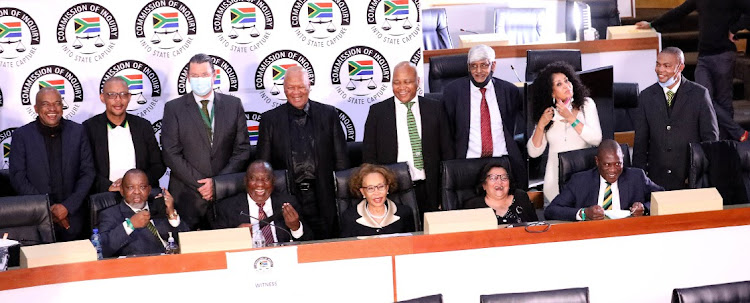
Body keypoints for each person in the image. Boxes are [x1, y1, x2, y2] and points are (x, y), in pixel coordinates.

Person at [257, 66, 349, 240]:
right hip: (288, 200)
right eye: (291, 87)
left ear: (309, 86)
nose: (296, 92)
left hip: (325, 198)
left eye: (300, 87)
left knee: (328, 245)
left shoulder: (328, 114)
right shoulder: (270, 120)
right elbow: (264, 166)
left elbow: (341, 161)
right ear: (284, 89)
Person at [636, 1, 750, 141]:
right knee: (704, 97)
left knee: (724, 101)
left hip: (723, 55)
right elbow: (680, 11)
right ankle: (737, 132)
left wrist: (735, 28)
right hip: (703, 56)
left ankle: (725, 146)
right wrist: (652, 24)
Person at [161, 53, 250, 230]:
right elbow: (171, 153)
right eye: (194, 76)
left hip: (226, 196)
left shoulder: (234, 105)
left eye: (204, 75)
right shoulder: (173, 108)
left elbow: (242, 150)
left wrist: (217, 184)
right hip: (187, 197)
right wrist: (202, 185)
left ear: (214, 76)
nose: (199, 80)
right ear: (187, 77)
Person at [363, 62, 453, 215]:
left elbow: (447, 152)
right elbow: (369, 157)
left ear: (418, 82)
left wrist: (444, 192)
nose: (401, 87)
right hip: (393, 190)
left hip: (430, 189)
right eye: (396, 82)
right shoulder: (377, 112)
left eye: (407, 82)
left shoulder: (436, 108)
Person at [9, 87, 94, 241]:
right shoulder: (21, 136)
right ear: (36, 108)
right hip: (35, 220)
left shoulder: (78, 131)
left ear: (62, 106)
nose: (52, 109)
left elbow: (87, 173)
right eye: (45, 104)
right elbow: (18, 177)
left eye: (57, 103)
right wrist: (46, 208)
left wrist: (68, 206)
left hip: (73, 218)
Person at [442, 44, 527, 190]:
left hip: (503, 159)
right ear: (468, 67)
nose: (478, 71)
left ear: (493, 65)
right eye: (473, 66)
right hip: (468, 161)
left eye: (484, 65)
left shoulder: (509, 91)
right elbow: (447, 132)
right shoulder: (453, 91)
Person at [633, 47, 719, 190]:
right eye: (658, 64)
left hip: (690, 179)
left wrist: (702, 174)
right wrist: (638, 179)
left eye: (666, 66)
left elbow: (711, 140)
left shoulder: (699, 95)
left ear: (680, 67)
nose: (660, 70)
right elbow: (640, 143)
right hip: (656, 180)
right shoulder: (646, 96)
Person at [527, 61, 602, 205]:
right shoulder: (547, 112)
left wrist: (571, 118)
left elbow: (596, 139)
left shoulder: (586, 105)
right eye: (559, 84)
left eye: (567, 81)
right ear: (551, 92)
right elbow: (534, 152)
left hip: (583, 177)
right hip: (554, 182)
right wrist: (541, 125)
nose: (567, 86)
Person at [545, 140, 664, 221]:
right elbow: (551, 211)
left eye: (618, 164)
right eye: (607, 165)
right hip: (592, 237)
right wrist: (584, 213)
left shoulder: (637, 177)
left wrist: (644, 208)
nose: (613, 170)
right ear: (597, 161)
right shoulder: (579, 181)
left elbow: (663, 196)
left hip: (628, 234)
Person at [84, 77, 165, 194]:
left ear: (129, 97)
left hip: (141, 196)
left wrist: (137, 184)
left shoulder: (143, 126)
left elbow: (158, 165)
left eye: (123, 94)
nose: (118, 100)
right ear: (102, 98)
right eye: (112, 95)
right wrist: (109, 186)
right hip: (104, 196)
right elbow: (85, 169)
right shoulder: (89, 128)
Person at [213, 160, 311, 243]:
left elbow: (310, 241)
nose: (260, 184)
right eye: (253, 179)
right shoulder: (227, 208)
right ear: (245, 181)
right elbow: (215, 244)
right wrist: (235, 236)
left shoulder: (288, 203)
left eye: (266, 179)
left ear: (273, 181)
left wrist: (296, 228)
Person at [99, 169, 188, 257]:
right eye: (130, 187)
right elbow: (103, 249)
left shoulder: (159, 207)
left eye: (142, 187)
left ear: (149, 190)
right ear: (122, 190)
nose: (137, 192)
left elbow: (188, 241)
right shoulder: (110, 214)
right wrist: (130, 224)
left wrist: (171, 213)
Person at [339, 164, 415, 237]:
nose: (377, 192)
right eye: (370, 188)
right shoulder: (349, 218)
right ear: (362, 192)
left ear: (387, 188)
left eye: (381, 186)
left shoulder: (404, 213)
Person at [462, 162, 538, 224]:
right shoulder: (473, 206)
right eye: (493, 178)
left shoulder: (521, 197)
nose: (499, 182)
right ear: (484, 185)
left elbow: (536, 227)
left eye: (504, 178)